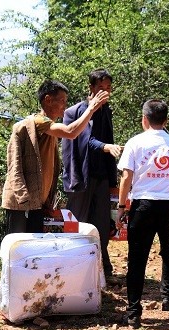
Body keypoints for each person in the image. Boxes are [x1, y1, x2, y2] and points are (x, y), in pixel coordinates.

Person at [1, 79, 109, 234]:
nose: (65, 106)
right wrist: (91, 108)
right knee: (17, 249)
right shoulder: (38, 121)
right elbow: (70, 132)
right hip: (21, 201)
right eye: (62, 101)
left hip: (37, 203)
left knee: (34, 250)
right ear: (48, 100)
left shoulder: (50, 129)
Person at [116, 99, 169, 329]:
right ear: (166, 120)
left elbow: (126, 177)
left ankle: (134, 313)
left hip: (143, 205)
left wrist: (122, 207)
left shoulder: (135, 143)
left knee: (137, 258)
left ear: (144, 119)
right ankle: (168, 297)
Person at [61, 68, 122, 280]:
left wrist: (113, 180)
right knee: (79, 224)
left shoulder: (106, 111)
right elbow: (85, 141)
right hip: (81, 177)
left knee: (102, 225)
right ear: (91, 89)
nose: (106, 92)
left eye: (108, 88)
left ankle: (103, 270)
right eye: (101, 88)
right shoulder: (76, 112)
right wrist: (106, 147)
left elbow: (107, 141)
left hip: (102, 177)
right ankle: (75, 271)